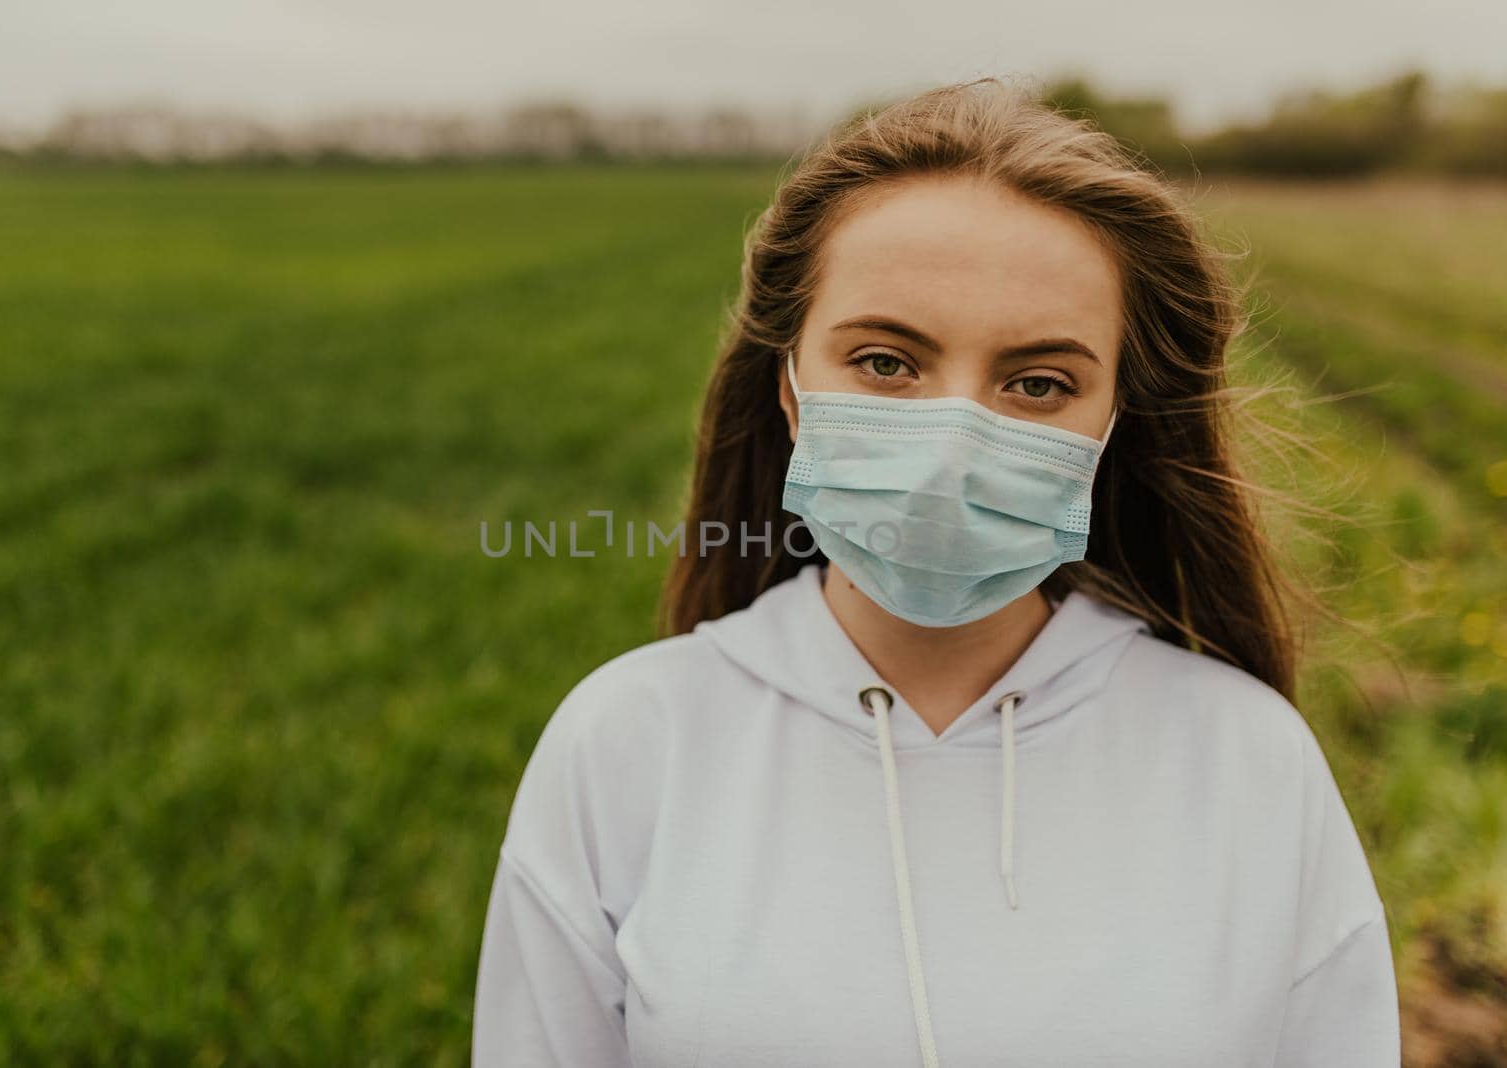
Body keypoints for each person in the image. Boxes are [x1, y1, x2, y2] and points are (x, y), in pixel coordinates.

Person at [471, 77, 1400, 1066]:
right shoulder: (628, 747)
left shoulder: (1245, 759)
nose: (953, 444)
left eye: (1038, 383)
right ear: (788, 389)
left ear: (1112, 426)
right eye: (884, 363)